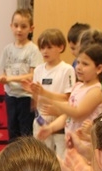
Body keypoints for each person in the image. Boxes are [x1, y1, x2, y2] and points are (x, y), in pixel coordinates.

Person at [25, 43, 102, 141]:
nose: (79, 67)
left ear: (99, 68)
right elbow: (67, 116)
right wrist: (51, 128)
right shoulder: (78, 86)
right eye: (78, 62)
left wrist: (51, 101)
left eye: (85, 64)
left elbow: (77, 113)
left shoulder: (96, 91)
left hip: (84, 142)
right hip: (71, 140)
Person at [0, 8, 41, 140]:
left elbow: (32, 75)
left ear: (31, 28)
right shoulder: (7, 49)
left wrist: (10, 78)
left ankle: (26, 154)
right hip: (11, 96)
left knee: (25, 132)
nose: (19, 30)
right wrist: (4, 79)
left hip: (26, 97)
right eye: (16, 26)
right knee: (12, 130)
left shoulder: (33, 50)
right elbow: (5, 71)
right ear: (11, 26)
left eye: (23, 26)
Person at [31, 28, 75, 157]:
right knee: (41, 156)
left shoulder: (67, 69)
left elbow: (68, 97)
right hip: (41, 119)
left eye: (49, 47)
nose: (45, 51)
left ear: (60, 47)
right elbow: (36, 98)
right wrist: (32, 92)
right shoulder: (38, 70)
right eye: (42, 48)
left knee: (61, 157)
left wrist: (45, 93)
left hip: (60, 119)